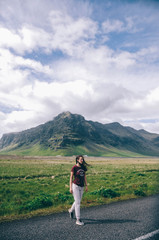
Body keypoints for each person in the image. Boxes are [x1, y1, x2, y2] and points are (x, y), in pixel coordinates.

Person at [68, 155, 88, 226]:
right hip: (75, 186)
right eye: (81, 159)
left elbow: (84, 176)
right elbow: (71, 178)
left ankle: (70, 210)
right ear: (77, 160)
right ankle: (78, 219)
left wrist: (86, 185)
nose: (82, 160)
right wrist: (70, 188)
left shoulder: (82, 167)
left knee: (77, 201)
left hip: (82, 186)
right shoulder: (74, 168)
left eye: (82, 159)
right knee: (78, 203)